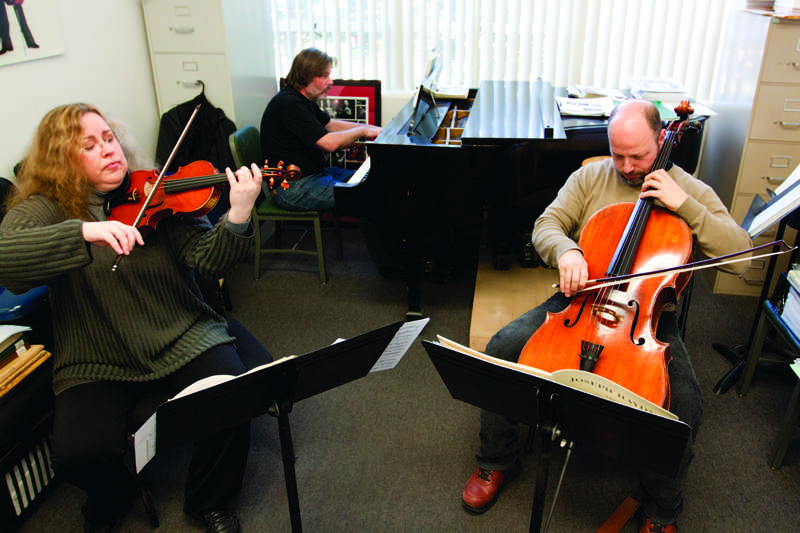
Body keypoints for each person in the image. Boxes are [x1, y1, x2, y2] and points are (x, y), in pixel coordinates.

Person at [460, 100, 753, 533]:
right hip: (580, 302)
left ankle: (660, 507)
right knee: (502, 349)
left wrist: (686, 206)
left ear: (661, 140)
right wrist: (568, 251)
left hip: (648, 316)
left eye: (639, 156)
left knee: (685, 405)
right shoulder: (592, 176)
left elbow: (742, 260)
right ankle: (497, 459)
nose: (628, 166)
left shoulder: (690, 189)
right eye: (618, 154)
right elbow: (547, 224)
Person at [0, 103, 268, 533]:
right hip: (96, 357)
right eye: (89, 145)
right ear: (59, 159)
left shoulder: (158, 190)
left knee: (232, 399)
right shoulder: (45, 209)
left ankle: (208, 498)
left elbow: (208, 260)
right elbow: (6, 260)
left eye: (109, 138)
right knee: (76, 455)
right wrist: (85, 232)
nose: (109, 150)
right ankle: (114, 495)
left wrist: (237, 214)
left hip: (183, 333)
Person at [259, 47, 382, 213]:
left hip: (316, 176)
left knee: (374, 182)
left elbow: (329, 125)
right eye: (324, 76)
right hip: (293, 189)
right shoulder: (288, 104)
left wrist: (374, 129)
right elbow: (329, 143)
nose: (330, 82)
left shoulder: (302, 99)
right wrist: (362, 131)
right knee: (369, 193)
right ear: (305, 77)